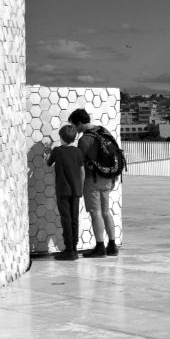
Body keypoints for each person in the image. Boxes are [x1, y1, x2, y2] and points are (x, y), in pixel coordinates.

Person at [69, 107, 124, 256]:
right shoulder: (103, 131)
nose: (74, 129)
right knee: (106, 212)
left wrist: (78, 186)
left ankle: (100, 247)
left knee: (96, 213)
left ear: (79, 123)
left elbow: (79, 164)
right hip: (108, 178)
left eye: (74, 126)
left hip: (92, 181)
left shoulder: (84, 139)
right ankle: (112, 246)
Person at [46, 124, 87, 260]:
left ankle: (69, 250)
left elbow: (48, 163)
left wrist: (46, 152)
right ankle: (74, 248)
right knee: (74, 219)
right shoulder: (78, 152)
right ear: (74, 138)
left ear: (61, 137)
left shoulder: (57, 151)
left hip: (63, 191)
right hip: (76, 191)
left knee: (66, 219)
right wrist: (80, 188)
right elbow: (82, 172)